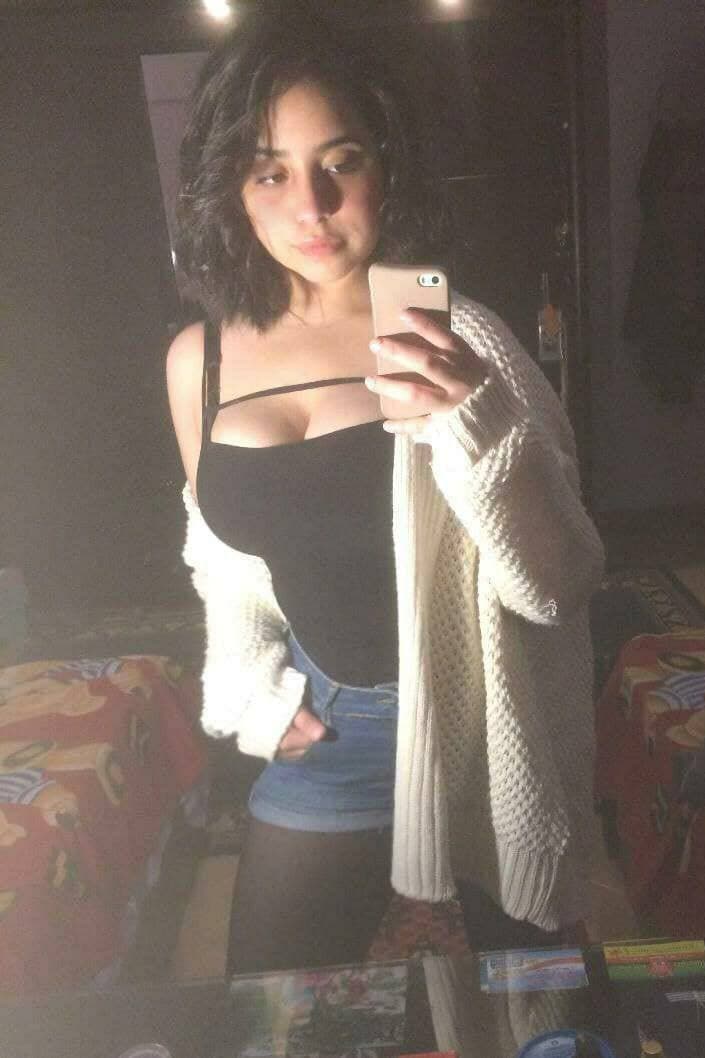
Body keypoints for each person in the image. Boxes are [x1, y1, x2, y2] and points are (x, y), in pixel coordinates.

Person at [165, 9, 605, 976]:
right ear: (229, 188)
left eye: (341, 160)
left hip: (485, 719)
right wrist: (245, 686)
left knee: (532, 1004)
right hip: (334, 725)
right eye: (270, 172)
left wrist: (474, 421)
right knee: (272, 1009)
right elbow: (223, 560)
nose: (313, 206)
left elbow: (559, 584)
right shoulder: (199, 360)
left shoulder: (457, 336)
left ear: (385, 168)